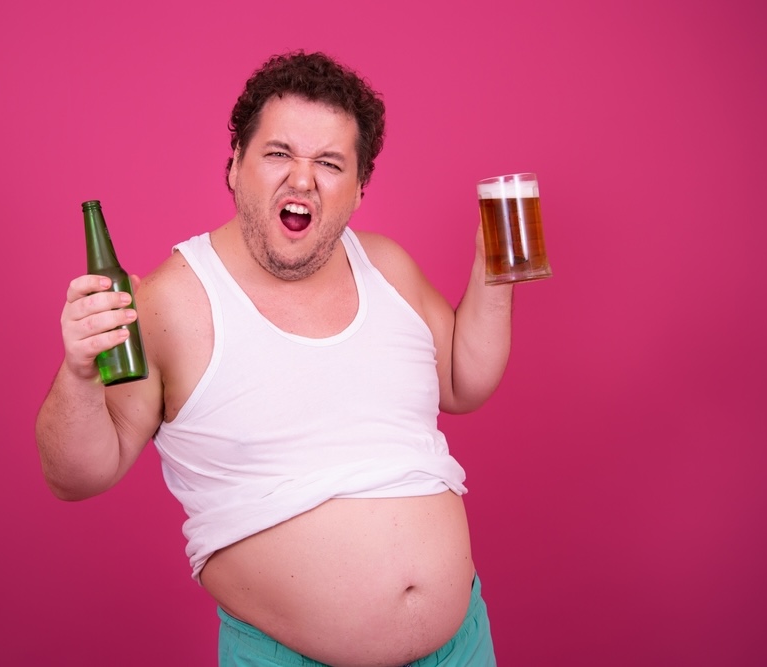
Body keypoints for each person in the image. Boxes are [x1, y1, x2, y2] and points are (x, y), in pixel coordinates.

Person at [35, 50, 512, 667]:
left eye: (330, 163)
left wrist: (495, 270)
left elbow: (462, 380)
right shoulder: (168, 303)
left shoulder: (386, 267)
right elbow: (76, 476)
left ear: (360, 188)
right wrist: (77, 372)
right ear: (235, 165)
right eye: (278, 153)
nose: (302, 179)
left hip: (461, 644)